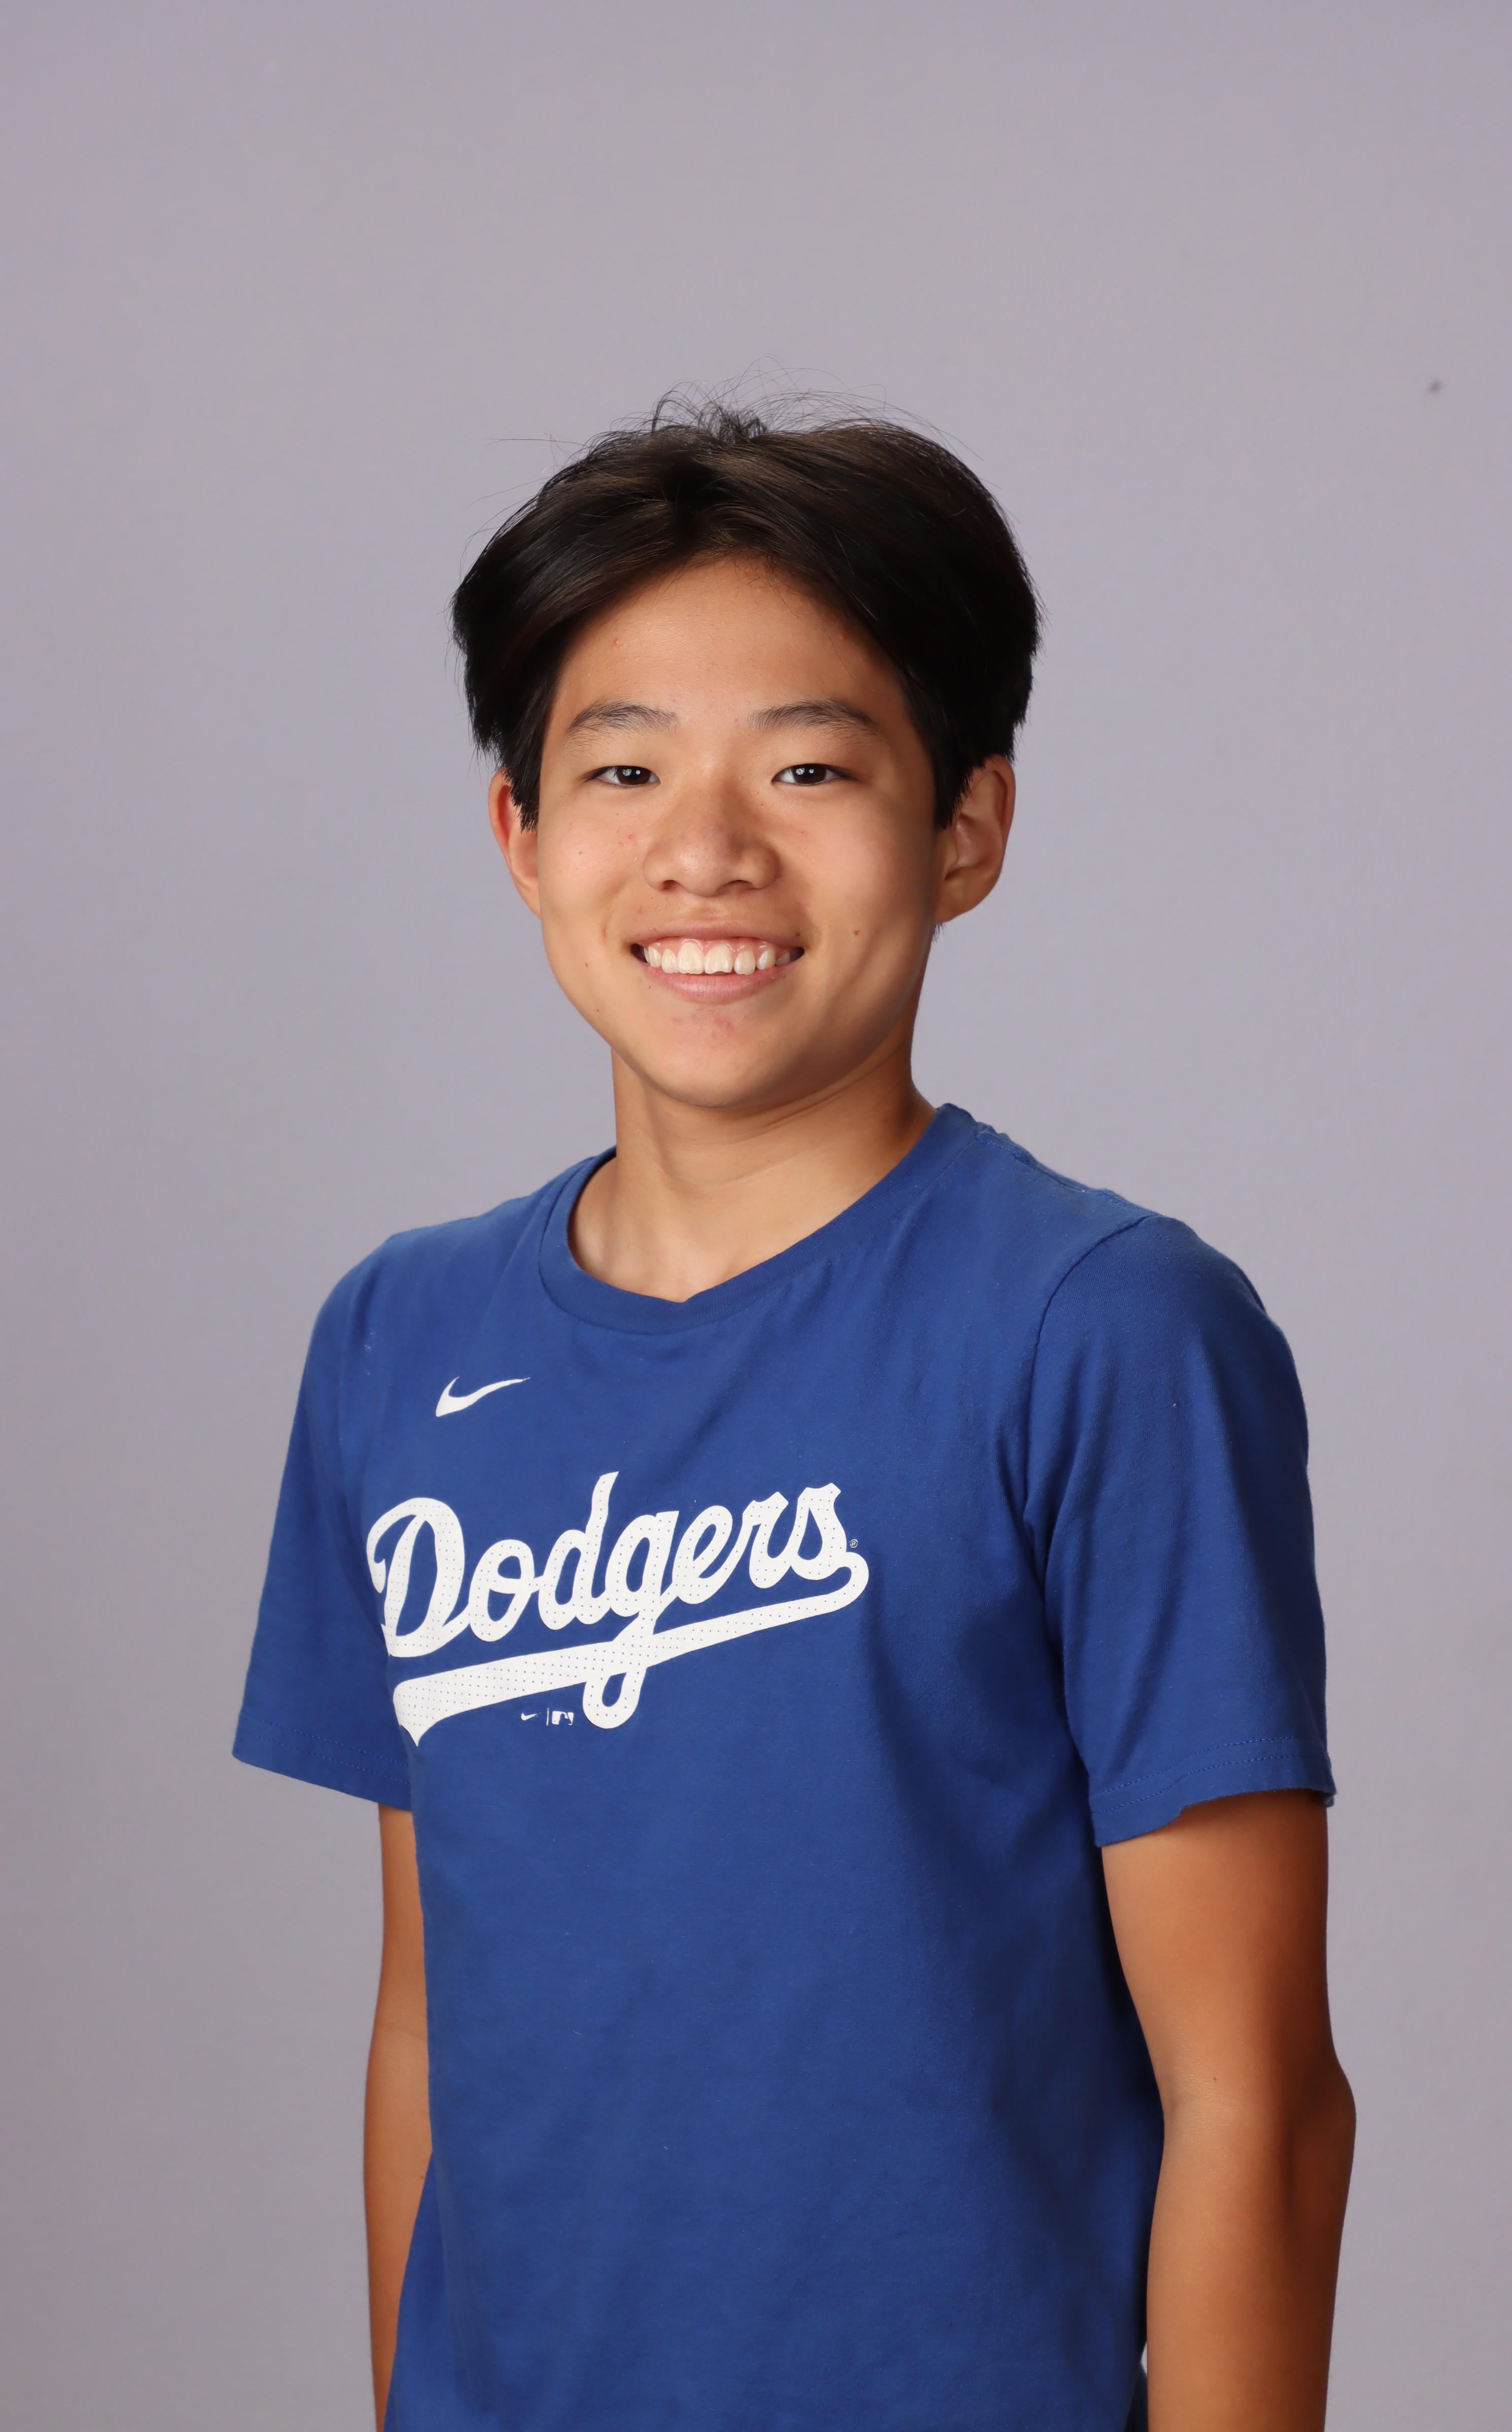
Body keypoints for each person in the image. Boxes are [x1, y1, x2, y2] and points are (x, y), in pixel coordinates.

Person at [233, 399, 1355, 2432]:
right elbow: (427, 2027)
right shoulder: (398, 1337)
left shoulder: (1102, 1332)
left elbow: (1253, 2100)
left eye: (810, 767)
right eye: (623, 768)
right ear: (520, 837)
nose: (707, 850)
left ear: (965, 829)